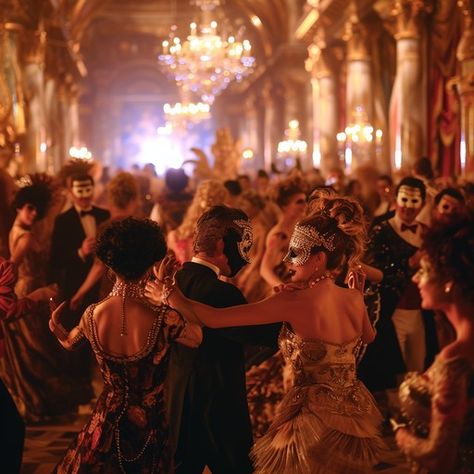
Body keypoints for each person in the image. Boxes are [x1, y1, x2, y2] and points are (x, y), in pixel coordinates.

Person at [147, 197, 386, 473]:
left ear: (319, 259)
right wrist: (357, 296)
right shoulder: (352, 299)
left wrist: (170, 295)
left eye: (296, 253)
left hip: (311, 416)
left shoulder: (291, 302)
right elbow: (369, 337)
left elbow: (213, 318)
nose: (287, 260)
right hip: (352, 412)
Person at [49, 218, 202, 473]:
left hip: (105, 425)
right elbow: (197, 336)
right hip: (150, 426)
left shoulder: (91, 315)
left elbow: (68, 342)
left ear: (109, 263)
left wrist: (57, 329)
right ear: (150, 262)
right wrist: (167, 291)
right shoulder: (163, 317)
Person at [165, 205, 279, 474]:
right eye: (242, 246)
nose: (244, 257)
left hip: (179, 398)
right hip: (221, 402)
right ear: (220, 245)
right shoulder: (221, 293)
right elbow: (263, 336)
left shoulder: (172, 283)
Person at [394, 212, 474, 473]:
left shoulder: (456, 357)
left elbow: (439, 457)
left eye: (425, 271)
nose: (415, 278)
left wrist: (401, 434)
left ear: (450, 281)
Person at [359, 176, 435, 392]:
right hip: (392, 312)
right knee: (393, 372)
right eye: (404, 199)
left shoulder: (427, 233)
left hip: (420, 311)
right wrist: (410, 262)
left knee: (418, 369)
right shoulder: (381, 230)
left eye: (414, 201)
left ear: (422, 203)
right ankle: (398, 421)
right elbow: (374, 269)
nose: (408, 207)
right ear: (396, 198)